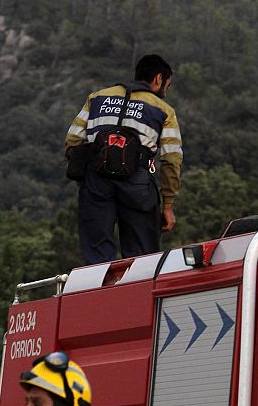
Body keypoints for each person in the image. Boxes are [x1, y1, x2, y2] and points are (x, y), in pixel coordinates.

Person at [65, 54, 182, 264]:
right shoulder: (164, 111)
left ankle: (99, 293)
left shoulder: (97, 97)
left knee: (97, 255)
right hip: (137, 183)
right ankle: (136, 293)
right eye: (167, 85)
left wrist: (86, 180)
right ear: (158, 79)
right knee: (141, 257)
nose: (166, 90)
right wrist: (168, 205)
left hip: (96, 178)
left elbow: (73, 139)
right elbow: (172, 159)